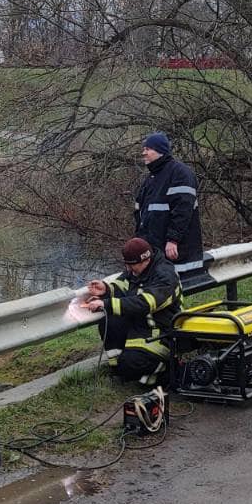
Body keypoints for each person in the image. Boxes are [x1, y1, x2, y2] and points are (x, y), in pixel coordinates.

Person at [84, 236, 183, 386]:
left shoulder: (165, 276)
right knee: (109, 320)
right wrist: (106, 289)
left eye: (132, 266)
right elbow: (122, 286)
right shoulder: (136, 269)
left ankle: (172, 371)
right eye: (127, 265)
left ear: (145, 260)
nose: (129, 270)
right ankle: (120, 370)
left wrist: (107, 304)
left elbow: (144, 303)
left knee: (132, 364)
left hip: (163, 333)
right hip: (141, 328)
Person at [134, 131, 203, 264]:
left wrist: (173, 240)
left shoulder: (180, 174)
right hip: (156, 254)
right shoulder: (151, 179)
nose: (143, 153)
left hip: (178, 255)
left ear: (160, 150)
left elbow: (183, 210)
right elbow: (141, 217)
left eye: (147, 149)